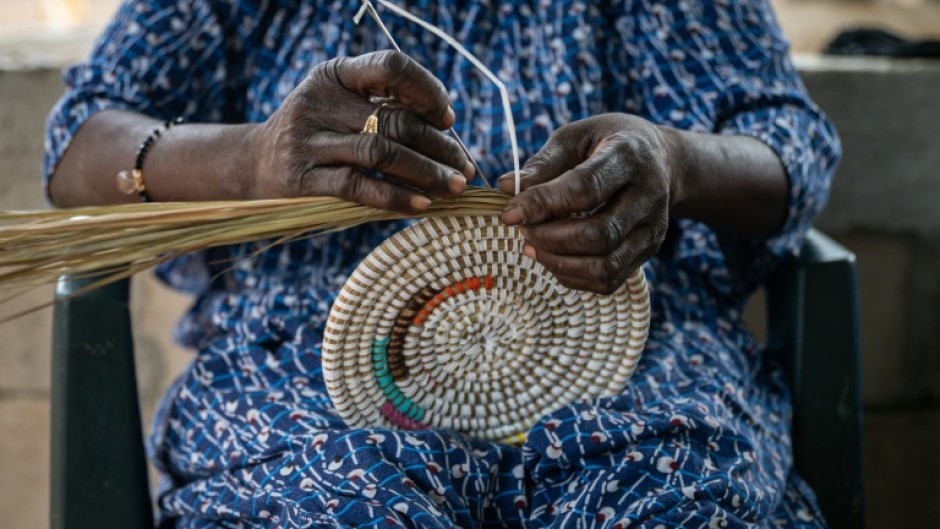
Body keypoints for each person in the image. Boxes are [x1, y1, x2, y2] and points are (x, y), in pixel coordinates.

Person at [44, 1, 840, 527]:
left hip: (641, 356)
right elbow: (79, 144)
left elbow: (790, 145)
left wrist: (676, 162)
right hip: (300, 366)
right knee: (335, 500)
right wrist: (249, 157)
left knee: (671, 491)